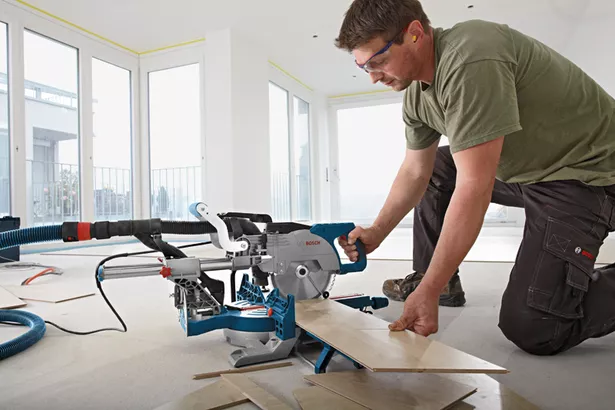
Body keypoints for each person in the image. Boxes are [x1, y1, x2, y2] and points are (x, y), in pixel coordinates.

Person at [335, 0, 615, 356]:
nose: (373, 76)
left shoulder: (472, 57)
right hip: (534, 174)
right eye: (363, 67)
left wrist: (427, 292)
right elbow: (416, 171)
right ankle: (438, 281)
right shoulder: (417, 96)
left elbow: (473, 186)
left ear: (415, 33)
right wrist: (377, 232)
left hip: (589, 175)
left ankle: (434, 284)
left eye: (378, 60)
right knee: (439, 166)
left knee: (536, 326)